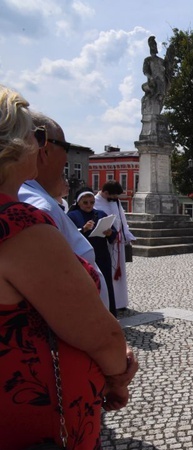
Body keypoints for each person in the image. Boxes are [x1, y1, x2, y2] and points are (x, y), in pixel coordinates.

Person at [0, 84, 138, 450]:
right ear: (11, 144)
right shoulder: (16, 224)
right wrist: (116, 374)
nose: (39, 147)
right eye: (34, 136)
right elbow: (100, 333)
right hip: (40, 419)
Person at [18, 112, 111, 311]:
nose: (66, 160)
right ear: (44, 150)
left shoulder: (29, 199)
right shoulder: (38, 210)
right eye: (65, 148)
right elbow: (57, 296)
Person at [68, 189, 118, 315]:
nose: (89, 205)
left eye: (91, 202)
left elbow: (114, 233)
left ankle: (109, 313)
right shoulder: (72, 216)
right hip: (83, 256)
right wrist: (83, 229)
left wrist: (110, 233)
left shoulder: (101, 213)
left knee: (105, 284)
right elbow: (68, 236)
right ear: (79, 203)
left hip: (101, 254)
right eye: (85, 202)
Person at [95, 181, 136, 312]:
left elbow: (122, 220)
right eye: (113, 195)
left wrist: (128, 235)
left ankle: (120, 301)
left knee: (119, 273)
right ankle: (109, 301)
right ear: (106, 193)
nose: (115, 199)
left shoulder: (115, 202)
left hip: (118, 241)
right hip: (105, 242)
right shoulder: (95, 202)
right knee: (108, 272)